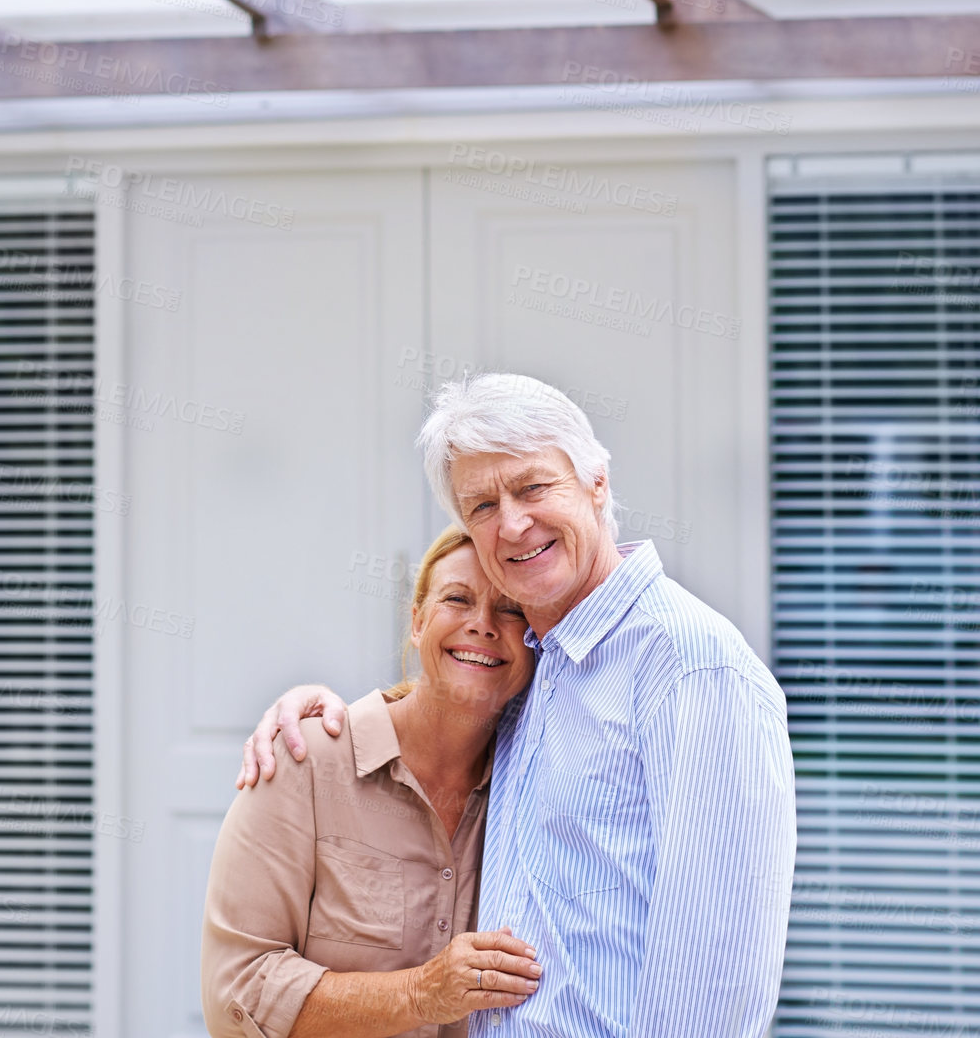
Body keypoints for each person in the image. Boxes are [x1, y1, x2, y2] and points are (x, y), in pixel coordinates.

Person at [238, 374, 798, 1038]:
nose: (511, 522)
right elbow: (437, 704)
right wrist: (319, 713)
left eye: (533, 487)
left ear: (596, 483)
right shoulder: (534, 661)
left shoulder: (689, 664)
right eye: (481, 506)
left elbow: (720, 964)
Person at [201, 524, 542, 1038]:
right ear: (417, 621)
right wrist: (420, 994)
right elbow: (239, 990)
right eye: (457, 599)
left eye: (512, 608)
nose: (483, 624)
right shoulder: (303, 763)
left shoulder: (538, 785)